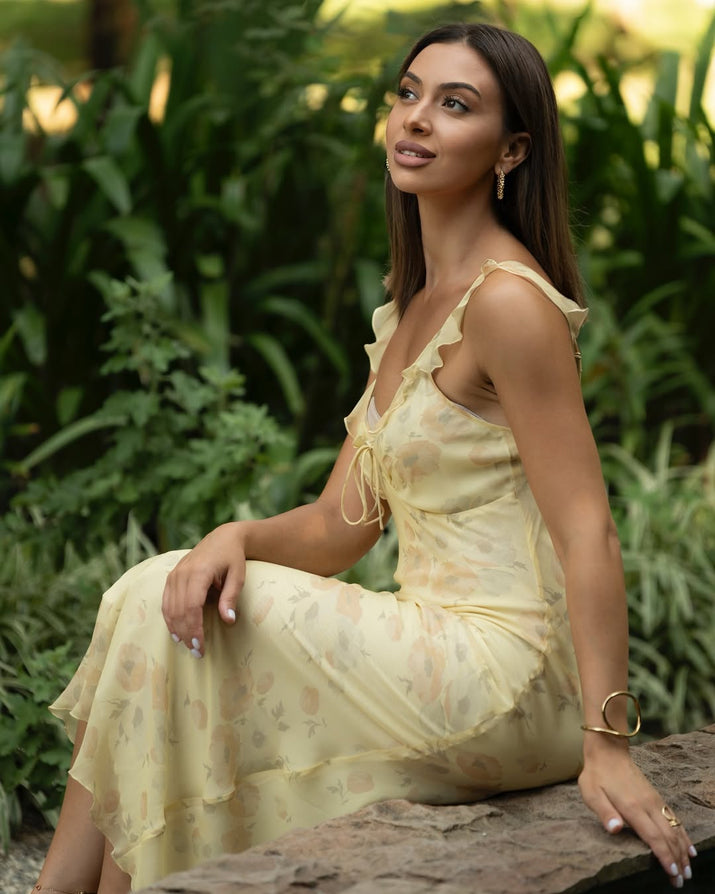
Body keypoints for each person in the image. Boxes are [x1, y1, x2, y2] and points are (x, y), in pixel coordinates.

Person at [33, 22, 696, 894]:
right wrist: (234, 535)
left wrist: (607, 746)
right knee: (156, 597)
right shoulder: (413, 308)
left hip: (508, 674)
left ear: (511, 149)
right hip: (433, 646)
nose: (415, 118)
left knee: (164, 610)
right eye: (408, 93)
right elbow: (338, 527)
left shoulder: (506, 305)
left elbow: (587, 532)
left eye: (454, 105)